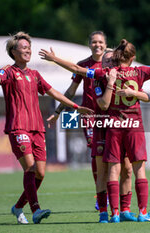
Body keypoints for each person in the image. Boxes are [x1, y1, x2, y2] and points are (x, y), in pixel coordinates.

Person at [39, 39, 150, 223]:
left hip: (113, 125)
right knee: (138, 169)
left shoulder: (107, 73)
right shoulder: (140, 71)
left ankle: (116, 213)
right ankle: (142, 213)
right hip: (133, 125)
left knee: (114, 169)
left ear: (116, 57)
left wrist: (55, 59)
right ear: (133, 57)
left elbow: (78, 70)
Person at [0, 31, 93, 225]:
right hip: (18, 128)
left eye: (29, 47)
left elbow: (54, 92)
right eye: (24, 48)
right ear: (14, 51)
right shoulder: (8, 71)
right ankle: (36, 210)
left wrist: (76, 106)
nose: (28, 50)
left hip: (37, 128)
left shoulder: (35, 74)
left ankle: (18, 207)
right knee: (31, 167)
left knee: (40, 173)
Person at [47, 31, 106, 208]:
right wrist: (58, 112)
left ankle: (112, 193)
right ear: (89, 45)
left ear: (106, 44)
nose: (97, 45)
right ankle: (101, 195)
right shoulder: (83, 65)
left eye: (101, 42)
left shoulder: (112, 64)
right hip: (89, 116)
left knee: (112, 157)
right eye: (94, 42)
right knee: (97, 153)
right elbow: (71, 91)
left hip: (110, 116)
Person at [94, 49, 150, 223]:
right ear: (102, 63)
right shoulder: (99, 79)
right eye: (107, 61)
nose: (110, 64)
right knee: (103, 171)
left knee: (127, 169)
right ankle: (105, 211)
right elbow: (103, 105)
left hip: (121, 126)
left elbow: (143, 96)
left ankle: (124, 210)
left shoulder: (124, 75)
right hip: (101, 126)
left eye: (113, 61)